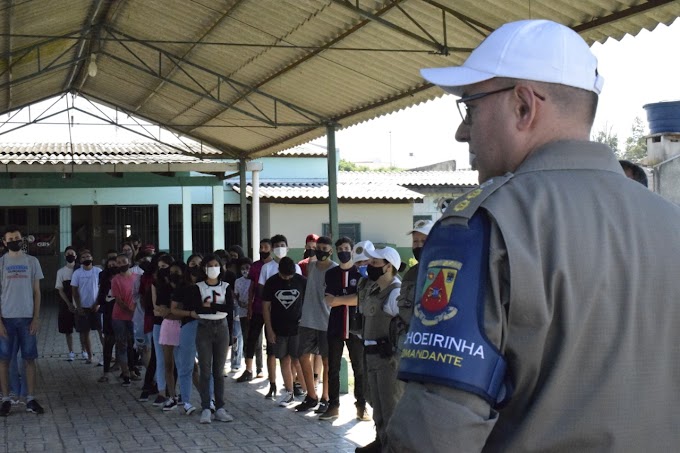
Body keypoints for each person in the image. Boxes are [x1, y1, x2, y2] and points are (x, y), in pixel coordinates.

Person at [386, 19, 680, 452]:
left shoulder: (480, 226)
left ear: (523, 106)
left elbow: (434, 433)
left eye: (471, 107)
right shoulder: (669, 222)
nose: (462, 131)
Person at [175, 254, 234, 424]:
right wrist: (213, 309)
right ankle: (206, 407)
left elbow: (229, 308)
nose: (213, 268)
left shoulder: (226, 286)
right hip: (204, 327)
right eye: (210, 265)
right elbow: (198, 308)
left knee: (219, 371)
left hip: (222, 328)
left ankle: (220, 407)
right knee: (205, 370)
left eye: (217, 265)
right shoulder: (197, 287)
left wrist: (213, 306)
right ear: (204, 268)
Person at [355, 246, 402, 452]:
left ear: (388, 266)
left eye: (375, 263)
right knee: (377, 404)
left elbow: (403, 326)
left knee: (390, 404)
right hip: (371, 354)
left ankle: (392, 446)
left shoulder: (396, 293)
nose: (369, 266)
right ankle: (380, 441)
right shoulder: (374, 289)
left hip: (387, 358)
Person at [321, 237, 369, 421]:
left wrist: (340, 300)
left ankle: (361, 406)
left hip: (356, 326)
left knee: (359, 368)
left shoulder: (360, 273)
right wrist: (348, 298)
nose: (343, 251)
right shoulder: (331, 273)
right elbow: (328, 300)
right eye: (340, 248)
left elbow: (360, 298)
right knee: (332, 367)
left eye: (346, 248)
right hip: (335, 325)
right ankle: (333, 406)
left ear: (352, 249)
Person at [0, 226, 45, 416]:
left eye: (16, 238)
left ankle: (30, 398)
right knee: (4, 360)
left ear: (22, 240)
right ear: (4, 242)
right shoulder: (1, 263)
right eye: (10, 238)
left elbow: (37, 292)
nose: (13, 241)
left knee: (29, 359)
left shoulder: (32, 261)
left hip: (27, 319)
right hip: (6, 319)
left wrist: (35, 318)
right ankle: (5, 399)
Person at [292, 236, 337, 414]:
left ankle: (326, 397)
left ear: (330, 250)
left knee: (327, 361)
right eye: (318, 248)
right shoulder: (310, 266)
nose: (320, 251)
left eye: (324, 248)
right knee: (303, 356)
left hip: (327, 321)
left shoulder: (334, 269)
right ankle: (311, 395)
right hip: (308, 319)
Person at [262, 257, 306, 407]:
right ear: (279, 271)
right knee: (284, 359)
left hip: (298, 329)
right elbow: (266, 307)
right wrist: (269, 329)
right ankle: (289, 392)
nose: (288, 278)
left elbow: (308, 303)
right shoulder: (271, 282)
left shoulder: (301, 281)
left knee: (298, 360)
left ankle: (307, 392)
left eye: (290, 276)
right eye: (285, 276)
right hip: (278, 328)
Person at [393, 220, 433, 357]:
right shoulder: (411, 273)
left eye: (424, 240)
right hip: (408, 341)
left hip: (431, 343)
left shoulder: (443, 271)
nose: (419, 245)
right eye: (415, 241)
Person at [237, 239, 274, 383]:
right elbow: (252, 286)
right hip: (257, 307)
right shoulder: (255, 266)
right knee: (252, 338)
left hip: (271, 309)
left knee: (270, 341)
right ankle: (248, 369)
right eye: (261, 247)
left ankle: (268, 372)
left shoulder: (275, 266)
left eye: (266, 247)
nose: (263, 249)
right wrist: (250, 306)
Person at [110, 253, 140, 387]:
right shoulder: (115, 280)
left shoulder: (137, 278)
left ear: (129, 262)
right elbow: (119, 300)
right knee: (122, 344)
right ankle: (126, 373)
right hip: (120, 317)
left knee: (132, 343)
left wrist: (135, 311)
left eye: (124, 261)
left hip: (134, 316)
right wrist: (131, 310)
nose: (122, 264)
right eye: (119, 262)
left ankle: (132, 369)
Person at [70, 249, 103, 365]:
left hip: (96, 307)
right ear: (80, 260)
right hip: (83, 308)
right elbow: (74, 291)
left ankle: (107, 356)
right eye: (83, 257)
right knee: (85, 333)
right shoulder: (77, 273)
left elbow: (102, 289)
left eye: (88, 256)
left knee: (102, 332)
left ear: (92, 258)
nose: (86, 259)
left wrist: (98, 303)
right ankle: (90, 356)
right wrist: (78, 307)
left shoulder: (98, 271)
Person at [97, 256, 119, 383]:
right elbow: (100, 299)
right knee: (108, 344)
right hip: (109, 315)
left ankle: (127, 370)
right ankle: (106, 372)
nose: (112, 268)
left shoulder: (123, 279)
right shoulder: (104, 281)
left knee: (124, 343)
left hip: (122, 315)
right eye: (110, 266)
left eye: (114, 265)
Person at [55, 246, 78, 361]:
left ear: (76, 256)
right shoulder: (61, 272)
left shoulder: (79, 270)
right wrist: (69, 304)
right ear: (64, 256)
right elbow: (60, 290)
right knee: (68, 330)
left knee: (83, 330)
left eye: (72, 253)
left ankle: (84, 351)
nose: (70, 255)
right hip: (66, 304)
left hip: (79, 303)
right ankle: (71, 352)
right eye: (68, 254)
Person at [231, 257, 252, 376]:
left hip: (253, 312)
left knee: (253, 339)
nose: (245, 270)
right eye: (243, 269)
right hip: (241, 313)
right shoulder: (238, 281)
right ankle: (240, 362)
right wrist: (240, 303)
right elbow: (236, 296)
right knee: (240, 336)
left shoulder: (253, 280)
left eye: (247, 268)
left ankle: (258, 366)